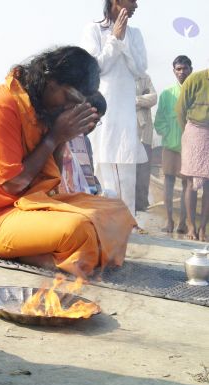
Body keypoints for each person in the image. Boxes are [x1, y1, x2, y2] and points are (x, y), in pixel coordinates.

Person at [0, 46, 136, 279]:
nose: (67, 106)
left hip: (32, 206)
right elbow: (12, 184)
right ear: (50, 80)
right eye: (67, 97)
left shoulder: (40, 107)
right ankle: (47, 257)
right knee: (79, 228)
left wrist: (62, 138)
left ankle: (61, 255)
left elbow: (50, 183)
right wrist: (54, 137)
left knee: (118, 212)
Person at [81, 0, 148, 217]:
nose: (137, 5)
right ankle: (106, 220)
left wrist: (123, 40)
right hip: (104, 110)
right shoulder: (93, 29)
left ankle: (127, 221)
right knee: (102, 162)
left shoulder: (135, 34)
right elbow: (96, 68)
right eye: (132, 0)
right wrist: (114, 40)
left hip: (126, 111)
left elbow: (139, 69)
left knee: (126, 164)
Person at [154, 55, 193, 233]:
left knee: (188, 186)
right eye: (178, 69)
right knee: (168, 184)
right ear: (173, 71)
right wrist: (168, 134)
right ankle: (169, 221)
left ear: (190, 70)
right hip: (170, 147)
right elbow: (159, 121)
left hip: (190, 148)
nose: (181, 72)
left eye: (184, 68)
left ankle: (183, 223)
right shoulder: (166, 94)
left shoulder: (196, 92)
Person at [176, 68, 209, 242]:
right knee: (190, 181)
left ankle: (203, 227)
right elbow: (180, 109)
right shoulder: (195, 79)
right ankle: (191, 225)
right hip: (194, 132)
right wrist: (188, 134)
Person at [135, 73, 157, 211]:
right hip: (128, 134)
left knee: (144, 171)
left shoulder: (144, 77)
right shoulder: (121, 76)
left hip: (145, 134)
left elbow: (153, 98)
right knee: (131, 170)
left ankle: (142, 204)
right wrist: (142, 100)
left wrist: (135, 101)